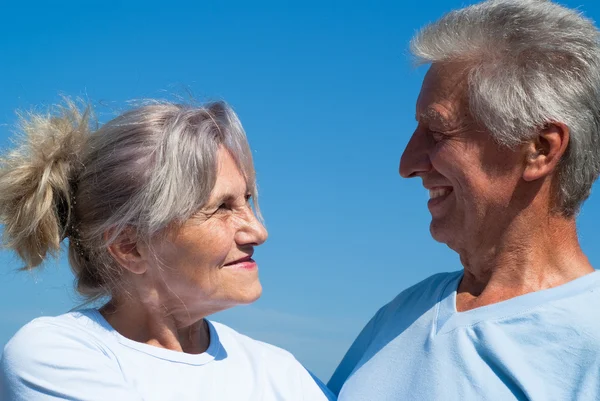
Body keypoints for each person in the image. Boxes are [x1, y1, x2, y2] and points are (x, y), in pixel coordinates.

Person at [329, 0, 600, 399]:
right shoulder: (403, 314)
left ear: (540, 148)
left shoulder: (588, 343)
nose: (407, 164)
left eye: (437, 131)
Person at [0, 100, 335, 401]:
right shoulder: (56, 354)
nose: (257, 232)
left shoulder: (282, 372)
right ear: (129, 248)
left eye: (246, 200)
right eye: (221, 208)